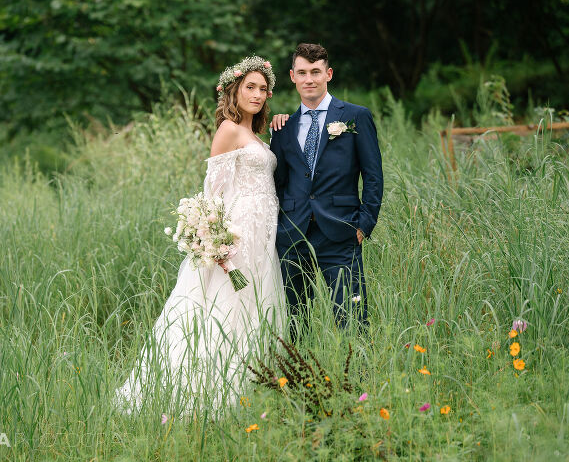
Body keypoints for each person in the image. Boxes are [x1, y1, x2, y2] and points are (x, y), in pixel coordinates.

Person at [113, 56, 285, 418]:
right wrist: (218, 244)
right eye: (249, 87)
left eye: (262, 88)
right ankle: (198, 392)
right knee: (224, 307)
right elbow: (212, 194)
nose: (257, 94)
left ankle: (248, 389)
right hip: (237, 238)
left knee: (254, 307)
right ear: (234, 91)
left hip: (262, 238)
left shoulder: (257, 134)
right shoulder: (230, 130)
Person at [269, 43, 383, 336]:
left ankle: (356, 379)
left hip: (342, 231)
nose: (310, 79)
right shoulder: (283, 128)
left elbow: (373, 175)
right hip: (293, 235)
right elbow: (278, 181)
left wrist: (364, 224)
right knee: (294, 322)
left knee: (352, 320)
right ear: (292, 76)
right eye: (303, 72)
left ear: (328, 74)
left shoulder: (355, 116)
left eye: (316, 72)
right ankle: (299, 380)